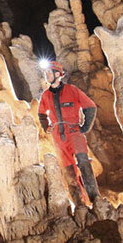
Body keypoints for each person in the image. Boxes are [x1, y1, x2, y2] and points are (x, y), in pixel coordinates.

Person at [37, 60, 100, 204]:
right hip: (59, 138)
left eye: (49, 73)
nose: (46, 76)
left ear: (58, 74)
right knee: (68, 172)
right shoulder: (46, 95)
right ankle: (79, 205)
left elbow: (90, 107)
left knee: (84, 164)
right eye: (45, 73)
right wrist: (46, 126)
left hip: (74, 133)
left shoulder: (72, 90)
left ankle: (96, 200)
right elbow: (41, 114)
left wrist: (85, 127)